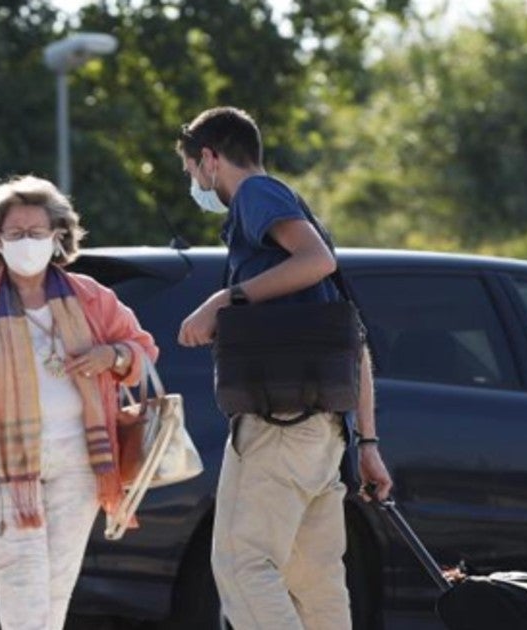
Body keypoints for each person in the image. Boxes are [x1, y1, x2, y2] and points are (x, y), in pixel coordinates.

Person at [0, 175, 159, 630]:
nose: (26, 242)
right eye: (15, 233)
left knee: (55, 587)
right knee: (22, 582)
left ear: (58, 236)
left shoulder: (92, 298)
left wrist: (110, 354)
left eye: (37, 233)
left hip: (78, 460)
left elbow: (141, 350)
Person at [175, 106, 393, 630]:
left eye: (190, 172)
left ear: (210, 158)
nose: (195, 184)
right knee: (315, 581)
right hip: (323, 436)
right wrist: (367, 443)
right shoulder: (289, 216)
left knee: (240, 564)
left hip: (279, 429)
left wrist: (224, 300)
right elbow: (352, 336)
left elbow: (318, 260)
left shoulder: (256, 194)